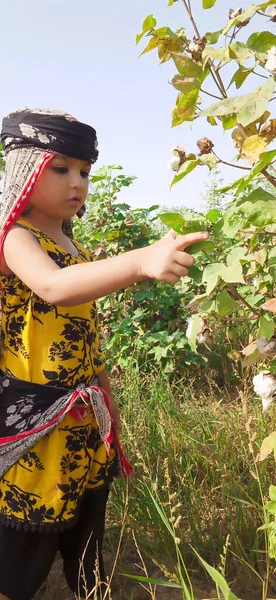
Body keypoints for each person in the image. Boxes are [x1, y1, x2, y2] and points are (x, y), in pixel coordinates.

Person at [0, 108, 209, 600]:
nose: (78, 182)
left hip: (84, 419)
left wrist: (108, 404)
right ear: (26, 169)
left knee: (84, 530)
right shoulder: (16, 239)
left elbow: (86, 333)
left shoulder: (73, 247)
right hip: (34, 424)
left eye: (86, 171)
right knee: (20, 551)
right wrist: (139, 260)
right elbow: (53, 288)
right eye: (62, 167)